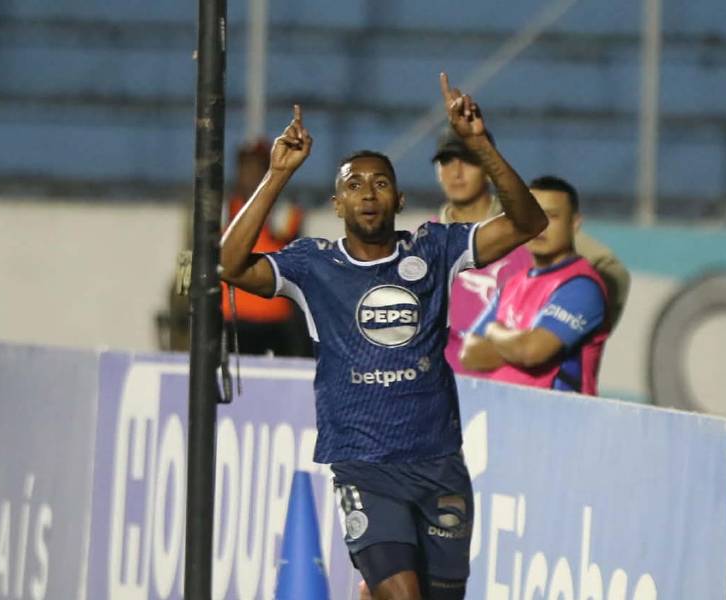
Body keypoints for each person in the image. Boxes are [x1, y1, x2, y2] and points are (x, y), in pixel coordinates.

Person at [219, 73, 547, 600]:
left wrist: (480, 145)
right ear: (337, 204)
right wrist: (277, 174)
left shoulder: (435, 250)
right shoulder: (314, 267)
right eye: (354, 185)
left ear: (398, 199)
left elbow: (527, 223)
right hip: (364, 466)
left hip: (438, 463)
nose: (367, 194)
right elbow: (229, 263)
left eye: (380, 184)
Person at [433, 130, 631, 381]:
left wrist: (570, 336)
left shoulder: (526, 222)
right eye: (446, 161)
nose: (456, 172)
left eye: (469, 160)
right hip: (454, 386)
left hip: (527, 384)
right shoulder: (430, 241)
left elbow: (611, 270)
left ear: (487, 166)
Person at [459, 176, 609, 395]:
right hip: (505, 416)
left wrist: (494, 330)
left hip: (558, 421)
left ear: (574, 223)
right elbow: (470, 355)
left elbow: (530, 352)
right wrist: (517, 346)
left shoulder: (582, 287)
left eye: (552, 216)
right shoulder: (514, 283)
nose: (541, 225)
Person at [222, 138, 307, 357]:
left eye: (258, 168)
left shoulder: (283, 212)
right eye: (246, 168)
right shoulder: (223, 210)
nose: (251, 175)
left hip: (275, 322)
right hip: (229, 319)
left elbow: (293, 248)